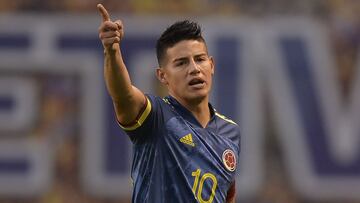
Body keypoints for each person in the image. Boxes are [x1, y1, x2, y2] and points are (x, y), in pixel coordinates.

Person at [97, 3, 241, 203]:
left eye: (199, 59)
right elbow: (123, 95)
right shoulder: (156, 117)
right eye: (181, 63)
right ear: (162, 76)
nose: (194, 69)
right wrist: (111, 52)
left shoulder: (230, 132)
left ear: (212, 65)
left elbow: (226, 194)